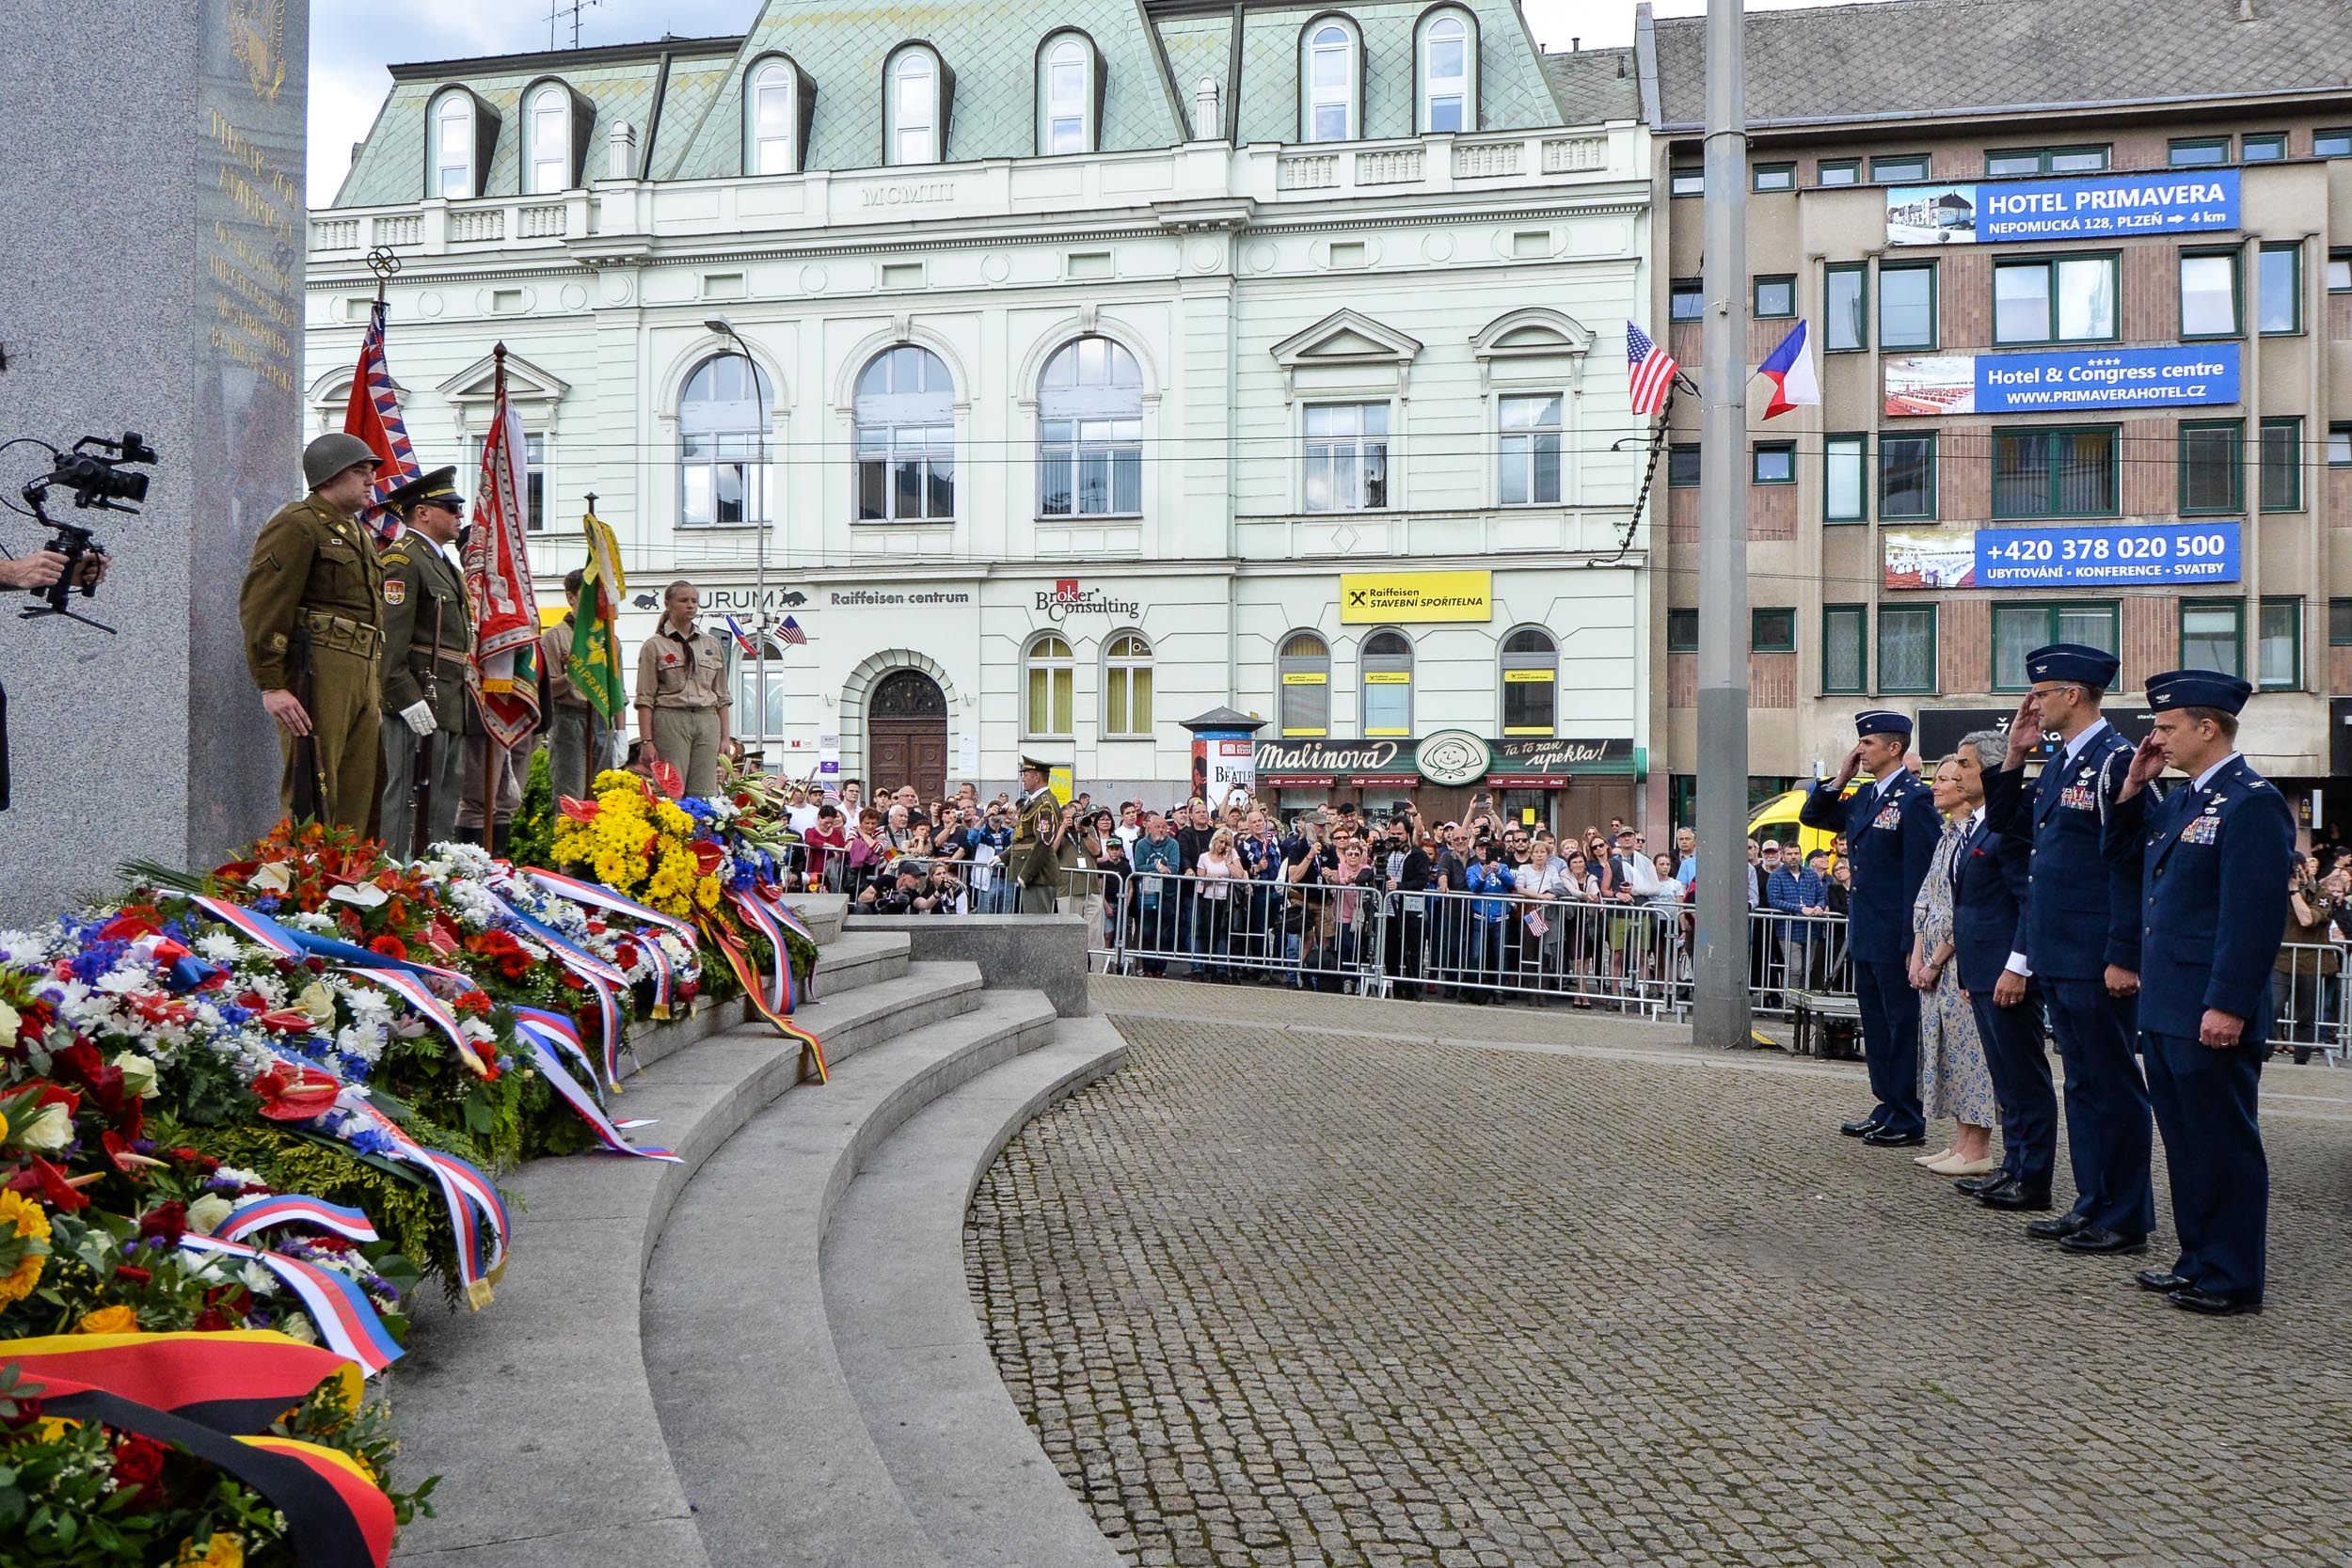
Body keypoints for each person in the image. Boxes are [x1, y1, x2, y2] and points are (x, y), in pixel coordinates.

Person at [2104, 670, 2294, 1315]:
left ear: (2207, 727)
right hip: (2168, 1001)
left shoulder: (2251, 802)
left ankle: (2233, 1274)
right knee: (2184, 1141)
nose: (2155, 738)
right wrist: (2132, 789)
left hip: (2210, 1005)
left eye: (2166, 727)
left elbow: (2252, 917)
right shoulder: (2182, 800)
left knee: (2223, 1142)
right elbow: (2127, 862)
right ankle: (2197, 1258)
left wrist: (2230, 1002)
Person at [1980, 643, 2153, 1255]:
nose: (2034, 704)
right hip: (2060, 952)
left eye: (2043, 694)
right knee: (2082, 1084)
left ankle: (2126, 1214)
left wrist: (2124, 953)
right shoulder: (2061, 764)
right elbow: (2010, 829)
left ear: (2073, 694)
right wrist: (2018, 754)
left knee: (2113, 1086)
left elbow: (2132, 864)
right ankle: (2092, 1203)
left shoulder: (2116, 763)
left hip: (2095, 954)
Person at [1801, 710, 1940, 1148]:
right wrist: (1839, 777)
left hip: (1895, 935)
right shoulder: (1864, 796)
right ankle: (1887, 1102)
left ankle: (1907, 1114)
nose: (1860, 751)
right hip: (1865, 931)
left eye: (1868, 745)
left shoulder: (1915, 799)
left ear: (1893, 748)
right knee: (1877, 1026)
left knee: (1901, 1026)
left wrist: (1911, 941)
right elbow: (1814, 816)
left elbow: (1919, 878)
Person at [239, 432, 385, 831]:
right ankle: (305, 884)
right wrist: (272, 684)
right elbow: (263, 606)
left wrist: (372, 692)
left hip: (360, 672)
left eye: (371, 471)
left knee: (357, 796)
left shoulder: (359, 533)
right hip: (319, 668)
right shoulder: (298, 525)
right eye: (360, 471)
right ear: (329, 475)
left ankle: (351, 884)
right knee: (314, 789)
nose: (371, 480)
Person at [1947, 728, 2056, 1214]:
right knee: (2005, 1079)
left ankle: (2033, 1176)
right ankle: (2013, 1167)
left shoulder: (2008, 827)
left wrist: (2017, 966)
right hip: (1982, 971)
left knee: (2023, 1077)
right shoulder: (1981, 825)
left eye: (1967, 765)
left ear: (1992, 770)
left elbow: (2025, 899)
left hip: (2007, 972)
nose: (1957, 772)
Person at [1909, 757, 2000, 1179]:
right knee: (1947, 1053)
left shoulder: (1977, 833)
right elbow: (1928, 897)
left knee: (1972, 1055)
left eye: (1947, 777)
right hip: (1934, 962)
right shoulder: (1947, 835)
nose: (1938, 785)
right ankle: (1962, 1140)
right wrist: (1917, 951)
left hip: (1960, 962)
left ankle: (1978, 1145)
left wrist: (1936, 958)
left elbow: (1966, 908)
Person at [373, 467, 470, 856]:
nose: (458, 516)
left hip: (447, 695)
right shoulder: (403, 560)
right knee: (408, 791)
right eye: (450, 507)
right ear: (423, 513)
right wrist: (402, 696)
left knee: (443, 797)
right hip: (418, 693)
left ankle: (436, 874)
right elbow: (391, 642)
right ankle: (398, 875)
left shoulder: (443, 563)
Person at [633, 579, 730, 798]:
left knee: (705, 793)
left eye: (694, 601)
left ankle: (701, 832)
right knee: (670, 790)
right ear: (668, 604)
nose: (691, 605)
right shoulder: (655, 645)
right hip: (671, 720)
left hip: (707, 719)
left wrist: (726, 737)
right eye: (683, 600)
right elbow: (645, 698)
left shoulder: (711, 644)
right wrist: (646, 741)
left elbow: (722, 695)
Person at [539, 567, 609, 802]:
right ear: (571, 597)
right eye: (588, 594)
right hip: (570, 715)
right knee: (571, 793)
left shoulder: (607, 636)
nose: (596, 600)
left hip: (601, 715)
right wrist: (572, 677)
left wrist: (619, 730)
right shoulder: (554, 636)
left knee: (602, 794)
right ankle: (569, 838)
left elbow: (617, 689)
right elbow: (546, 689)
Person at [2272, 853, 2336, 1060]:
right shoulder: (2276, 892)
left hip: (2310, 963)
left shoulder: (2323, 894)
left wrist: (2293, 890)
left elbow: (2306, 919)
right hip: (2282, 960)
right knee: (2272, 1009)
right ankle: (2264, 1054)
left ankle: (2301, 1058)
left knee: (2306, 1015)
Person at [1008, 755, 1073, 914]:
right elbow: (1024, 839)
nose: (1023, 779)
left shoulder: (1045, 804)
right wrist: (1003, 857)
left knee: (1038, 928)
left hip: (1038, 875)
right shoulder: (1034, 801)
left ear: (1036, 777)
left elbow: (1043, 842)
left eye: (1026, 774)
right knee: (1032, 925)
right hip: (1033, 873)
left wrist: (1026, 873)